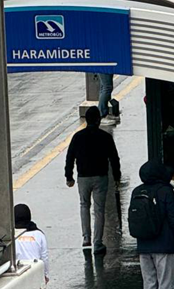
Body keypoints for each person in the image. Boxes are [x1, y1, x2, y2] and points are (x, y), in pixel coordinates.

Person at [65, 106, 121, 253]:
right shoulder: (105, 137)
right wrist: (117, 176)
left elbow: (70, 157)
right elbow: (114, 158)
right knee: (99, 209)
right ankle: (97, 242)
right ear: (98, 120)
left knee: (84, 205)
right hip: (100, 177)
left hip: (83, 177)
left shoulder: (78, 137)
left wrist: (69, 176)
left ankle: (86, 238)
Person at [135, 161, 174, 289]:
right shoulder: (166, 191)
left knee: (149, 283)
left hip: (143, 245)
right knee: (166, 283)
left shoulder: (137, 191)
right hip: (164, 245)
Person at [14, 204, 49, 284]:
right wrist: (45, 274)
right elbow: (44, 257)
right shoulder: (39, 234)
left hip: (17, 273)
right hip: (35, 270)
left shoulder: (11, 236)